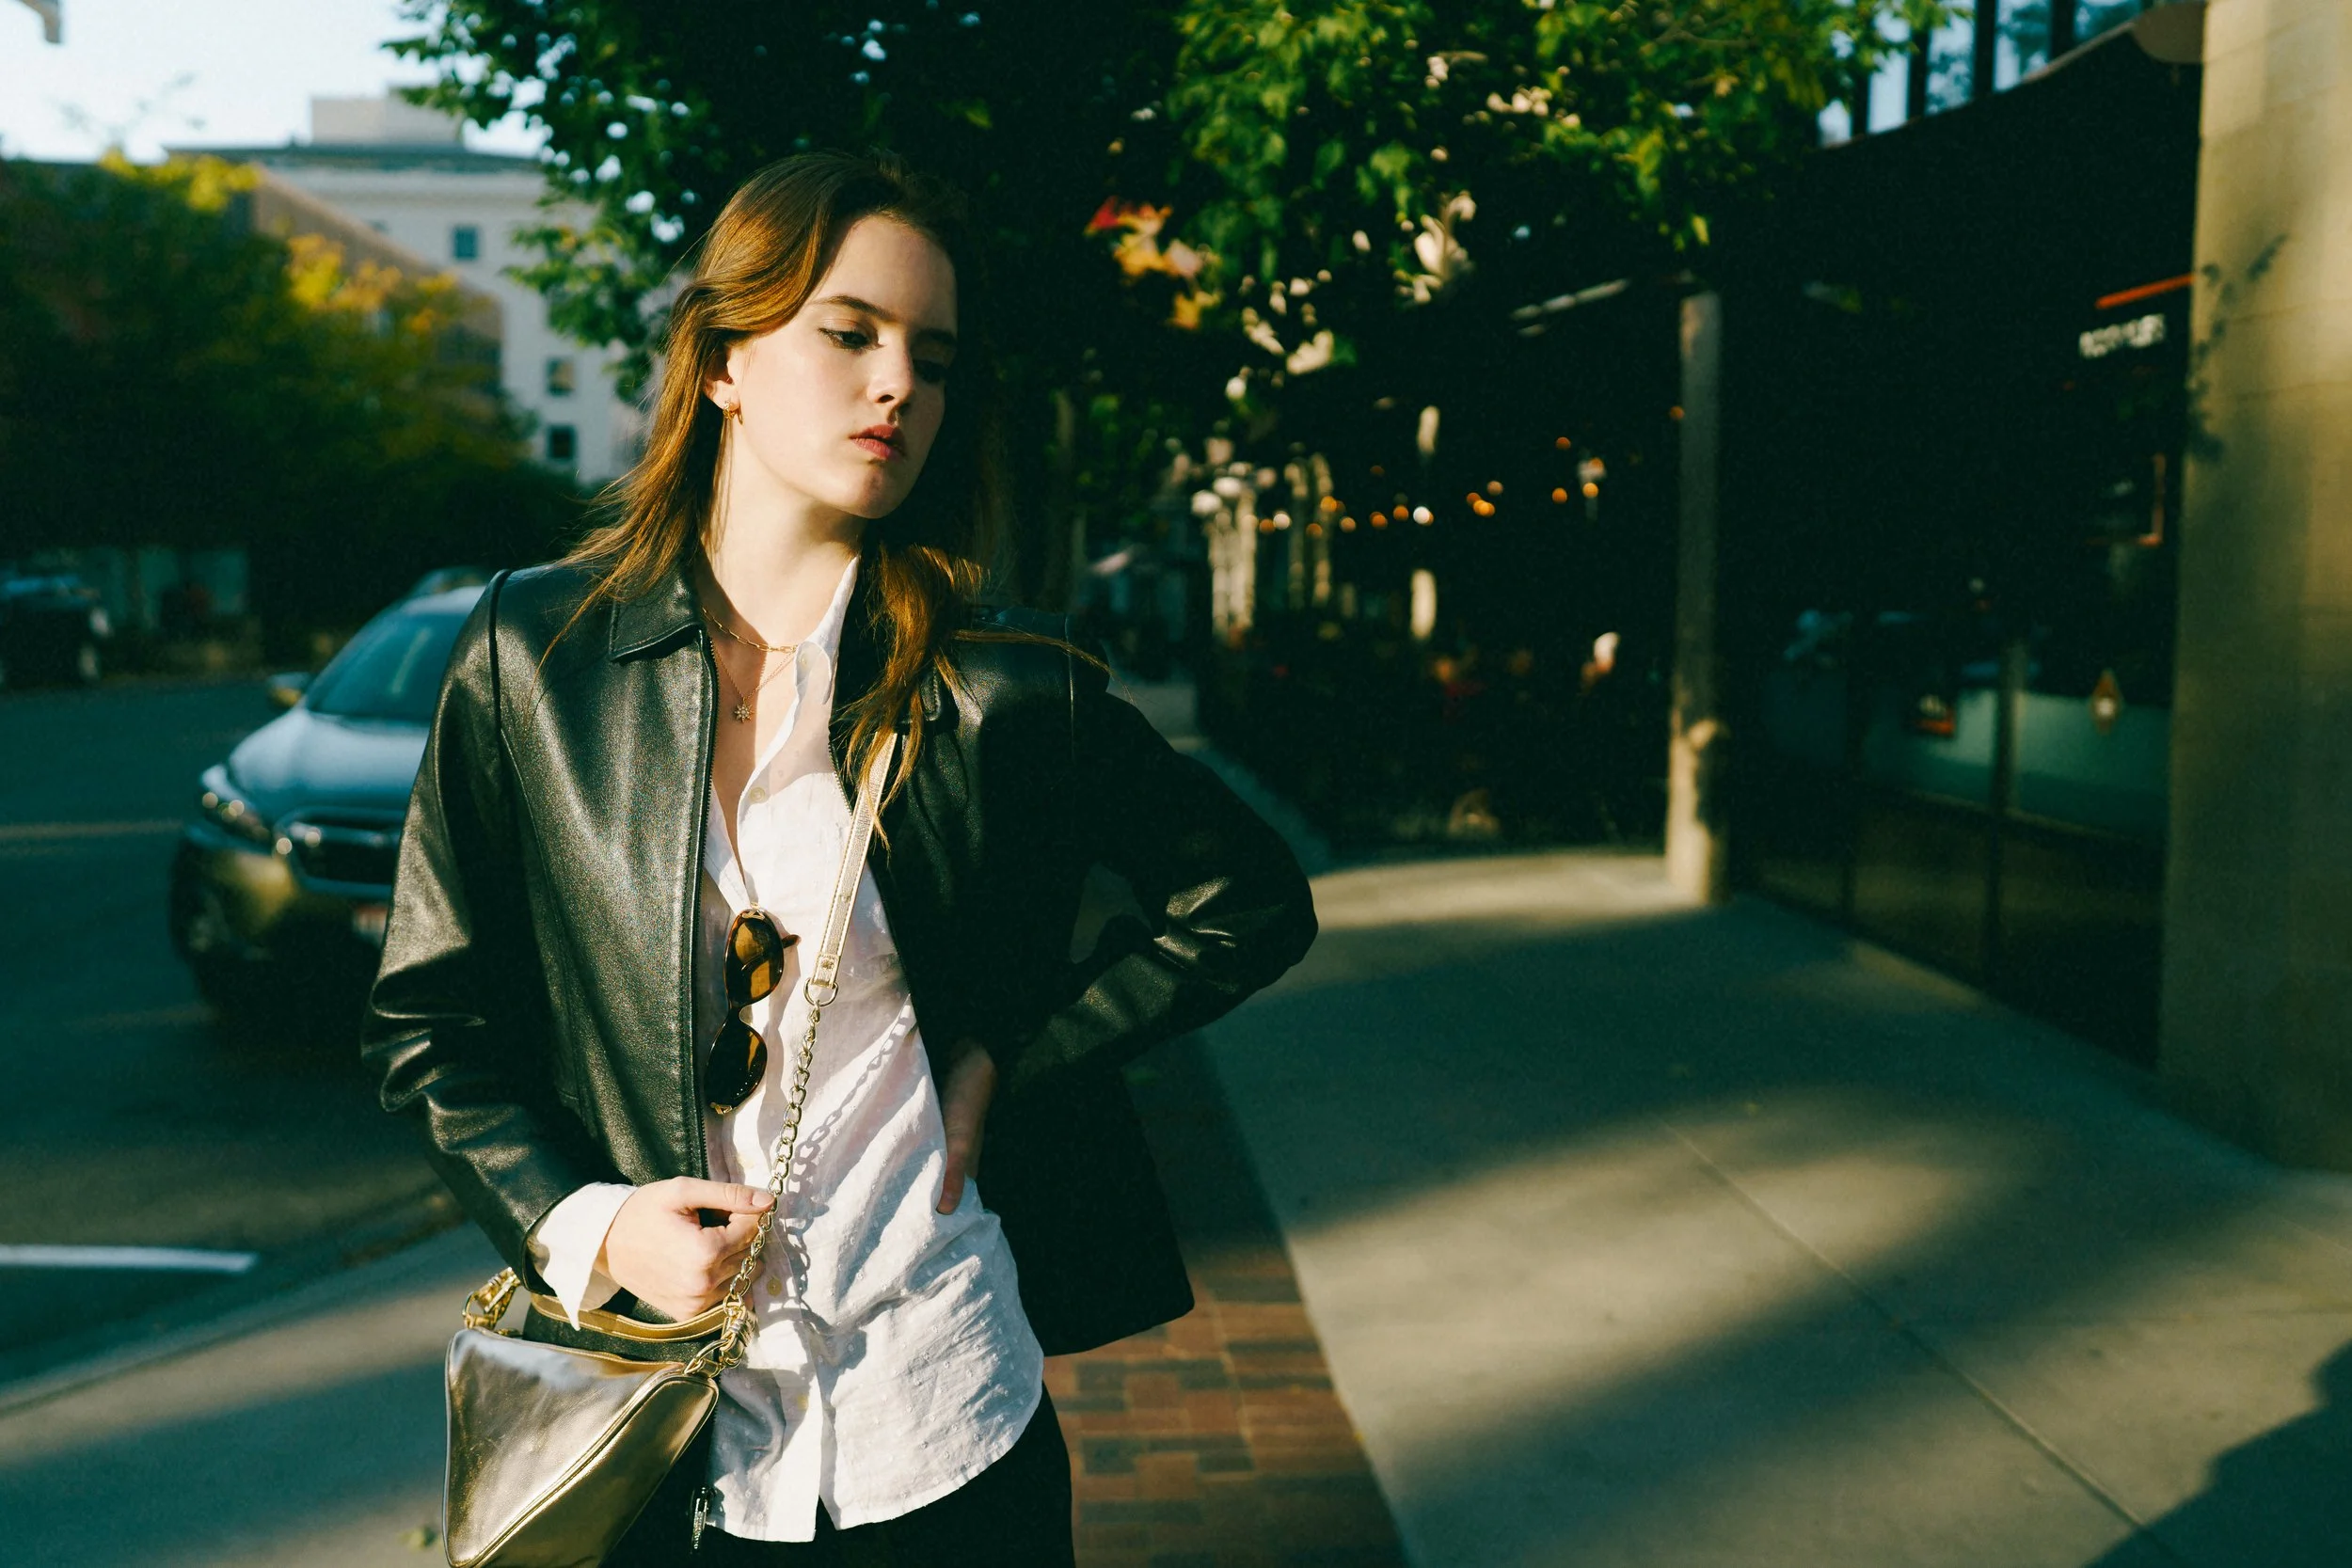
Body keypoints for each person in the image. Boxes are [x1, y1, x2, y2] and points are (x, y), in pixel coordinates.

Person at [361, 150, 1318, 1565]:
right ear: (726, 358)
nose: (897, 387)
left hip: (943, 1412)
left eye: (931, 360)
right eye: (849, 332)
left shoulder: (1003, 687)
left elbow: (1246, 900)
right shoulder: (534, 655)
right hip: (656, 1428)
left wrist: (1014, 1048)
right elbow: (430, 1021)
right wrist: (597, 1224)